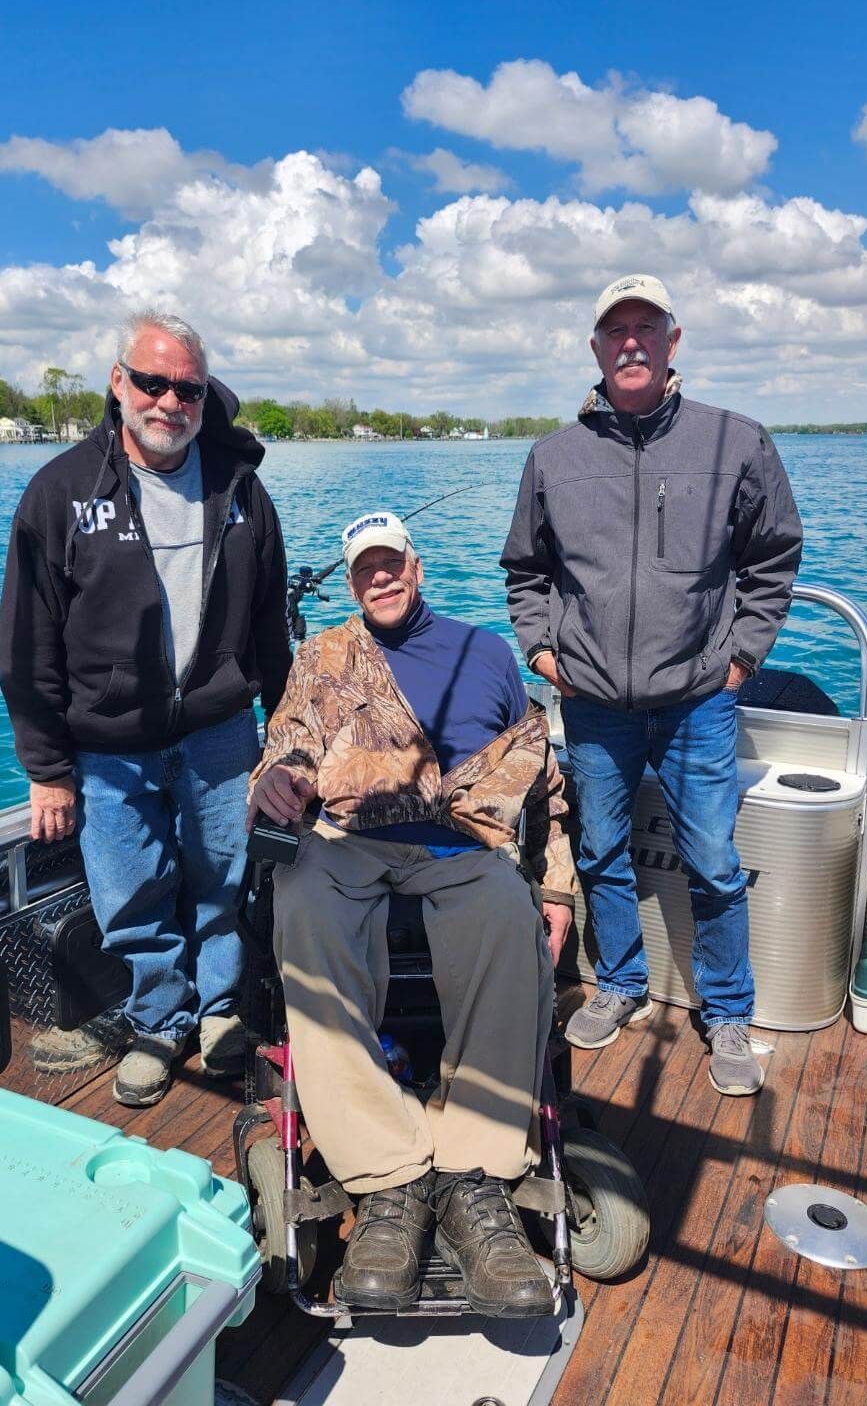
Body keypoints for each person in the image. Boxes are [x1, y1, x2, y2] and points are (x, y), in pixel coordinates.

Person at [248, 510, 578, 1318]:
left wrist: (559, 886)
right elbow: (284, 748)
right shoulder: (323, 657)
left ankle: (473, 1170)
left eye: (392, 564)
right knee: (303, 903)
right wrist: (273, 783)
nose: (381, 578)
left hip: (460, 846)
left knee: (509, 910)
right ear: (353, 581)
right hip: (348, 839)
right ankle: (388, 1175)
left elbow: (541, 781)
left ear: (418, 568)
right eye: (365, 569)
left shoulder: (487, 653)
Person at [502, 273, 803, 1096]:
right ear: (595, 348)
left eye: (647, 326)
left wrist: (739, 659)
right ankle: (621, 984)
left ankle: (728, 1012)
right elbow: (525, 572)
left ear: (673, 341)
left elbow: (774, 560)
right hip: (593, 701)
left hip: (699, 699)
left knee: (711, 859)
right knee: (600, 851)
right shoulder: (552, 457)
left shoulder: (734, 442)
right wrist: (542, 654)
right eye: (614, 329)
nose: (630, 340)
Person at [0, 308, 290, 1106]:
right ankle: (161, 1016)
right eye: (152, 382)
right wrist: (48, 770)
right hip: (108, 747)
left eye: (187, 388)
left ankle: (224, 1010)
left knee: (225, 880)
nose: (169, 402)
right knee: (131, 891)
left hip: (222, 732)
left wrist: (285, 733)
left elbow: (270, 624)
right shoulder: (60, 492)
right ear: (118, 383)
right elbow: (27, 645)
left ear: (205, 395)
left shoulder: (241, 488)